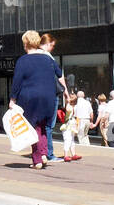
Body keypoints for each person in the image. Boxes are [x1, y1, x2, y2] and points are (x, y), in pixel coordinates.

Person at [10, 30, 59, 170]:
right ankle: (43, 153)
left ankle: (37, 159)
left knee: (32, 128)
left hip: (30, 97)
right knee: (42, 126)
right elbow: (59, 73)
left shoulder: (23, 60)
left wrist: (13, 99)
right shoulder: (48, 59)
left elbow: (17, 82)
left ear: (26, 44)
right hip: (49, 97)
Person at [39, 33, 65, 161]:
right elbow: (59, 74)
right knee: (49, 125)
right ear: (48, 43)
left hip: (39, 95)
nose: (52, 48)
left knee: (41, 125)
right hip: (51, 94)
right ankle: (49, 153)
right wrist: (65, 90)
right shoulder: (48, 58)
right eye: (52, 46)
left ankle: (41, 151)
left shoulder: (34, 56)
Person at [60, 89, 84, 162]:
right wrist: (68, 99)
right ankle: (66, 155)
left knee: (71, 140)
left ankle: (73, 154)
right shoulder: (69, 106)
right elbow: (68, 109)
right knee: (68, 139)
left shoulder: (74, 107)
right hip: (68, 124)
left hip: (72, 124)